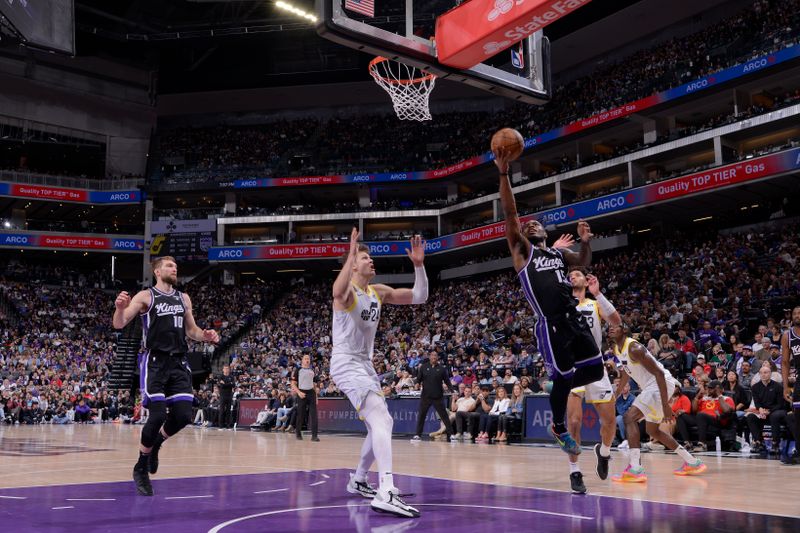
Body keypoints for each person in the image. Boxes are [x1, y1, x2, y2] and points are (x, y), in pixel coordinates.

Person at [494, 147, 603, 455]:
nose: (529, 225)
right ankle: (558, 425)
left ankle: (561, 385)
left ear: (543, 230)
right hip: (551, 324)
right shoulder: (523, 252)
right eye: (525, 226)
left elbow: (583, 261)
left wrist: (585, 242)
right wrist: (504, 173)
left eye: (534, 224)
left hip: (574, 318)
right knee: (566, 376)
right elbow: (510, 213)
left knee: (594, 370)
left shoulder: (556, 253)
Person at [331, 229, 428, 518]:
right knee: (383, 420)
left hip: (364, 365)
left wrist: (419, 266)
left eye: (369, 256)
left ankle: (359, 479)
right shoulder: (347, 295)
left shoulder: (378, 292)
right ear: (353, 264)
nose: (371, 260)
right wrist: (349, 255)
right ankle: (386, 490)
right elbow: (337, 291)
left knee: (379, 424)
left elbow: (419, 297)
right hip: (347, 362)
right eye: (365, 257)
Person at [113, 256, 219, 496]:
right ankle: (141, 466)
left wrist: (207, 335)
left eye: (176, 266)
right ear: (158, 272)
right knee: (158, 414)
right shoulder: (145, 297)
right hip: (155, 361)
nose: (175, 269)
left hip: (179, 361)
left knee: (183, 415)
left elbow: (192, 331)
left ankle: (157, 442)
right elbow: (119, 324)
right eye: (170, 266)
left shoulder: (184, 298)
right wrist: (119, 308)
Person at [608, 323, 705, 483]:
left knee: (629, 418)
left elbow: (659, 373)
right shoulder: (619, 349)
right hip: (654, 386)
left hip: (659, 383)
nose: (610, 328)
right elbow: (626, 371)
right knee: (653, 431)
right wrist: (616, 394)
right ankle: (692, 462)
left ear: (624, 330)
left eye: (616, 326)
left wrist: (666, 406)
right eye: (609, 326)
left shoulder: (634, 348)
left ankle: (635, 469)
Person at [558, 268, 621, 493]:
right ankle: (574, 471)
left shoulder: (594, 304)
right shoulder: (563, 303)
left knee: (610, 422)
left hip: (596, 364)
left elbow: (616, 321)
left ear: (586, 281)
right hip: (573, 367)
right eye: (570, 275)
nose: (572, 276)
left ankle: (603, 452)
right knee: (574, 422)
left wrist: (599, 294)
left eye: (577, 274)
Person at [412, 351, 454, 442]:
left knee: (444, 416)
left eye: (436, 355)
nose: (434, 357)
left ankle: (451, 435)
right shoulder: (423, 367)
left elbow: (447, 381)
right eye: (432, 355)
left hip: (438, 397)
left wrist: (452, 391)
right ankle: (417, 435)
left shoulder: (442, 369)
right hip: (426, 397)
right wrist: (417, 384)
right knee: (421, 416)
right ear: (430, 357)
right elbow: (418, 379)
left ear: (437, 357)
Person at [746, 365, 788, 454]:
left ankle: (775, 443)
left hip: (778, 410)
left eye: (766, 372)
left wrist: (768, 411)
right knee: (750, 417)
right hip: (763, 411)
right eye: (761, 373)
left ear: (770, 374)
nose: (763, 375)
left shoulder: (778, 386)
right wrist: (760, 409)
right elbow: (757, 402)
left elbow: (780, 404)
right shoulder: (755, 387)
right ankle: (759, 442)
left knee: (774, 416)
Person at [781, 306, 800, 464]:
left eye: (799, 313)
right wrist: (786, 386)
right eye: (794, 313)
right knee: (796, 416)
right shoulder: (788, 336)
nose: (797, 315)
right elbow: (785, 362)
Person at [292, 354, 319, 441]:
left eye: (308, 359)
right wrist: (299, 392)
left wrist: (316, 397)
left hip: (311, 393)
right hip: (301, 392)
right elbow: (293, 384)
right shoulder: (298, 370)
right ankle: (298, 433)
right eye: (305, 359)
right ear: (302, 361)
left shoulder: (312, 370)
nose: (307, 360)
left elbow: (314, 385)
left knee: (314, 415)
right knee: (301, 414)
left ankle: (314, 436)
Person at [217, 365, 235, 430]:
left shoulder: (231, 377)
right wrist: (229, 384)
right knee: (221, 411)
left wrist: (225, 384)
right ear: (223, 370)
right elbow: (222, 386)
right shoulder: (220, 377)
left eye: (227, 368)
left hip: (229, 395)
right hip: (222, 396)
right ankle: (220, 426)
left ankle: (228, 426)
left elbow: (233, 385)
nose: (226, 370)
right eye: (225, 368)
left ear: (229, 370)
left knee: (228, 411)